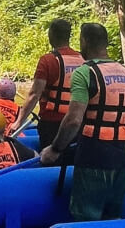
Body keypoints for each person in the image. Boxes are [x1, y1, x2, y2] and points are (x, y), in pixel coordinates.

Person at [39, 22, 125, 222]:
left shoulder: (85, 73)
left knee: (85, 217)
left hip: (93, 157)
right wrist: (114, 133)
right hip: (122, 158)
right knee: (113, 217)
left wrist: (55, 149)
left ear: (84, 41)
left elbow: (72, 120)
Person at [14, 19, 85, 149]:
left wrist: (19, 121)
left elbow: (34, 94)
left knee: (51, 160)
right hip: (79, 122)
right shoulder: (84, 60)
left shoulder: (48, 61)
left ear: (51, 35)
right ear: (68, 36)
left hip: (52, 124)